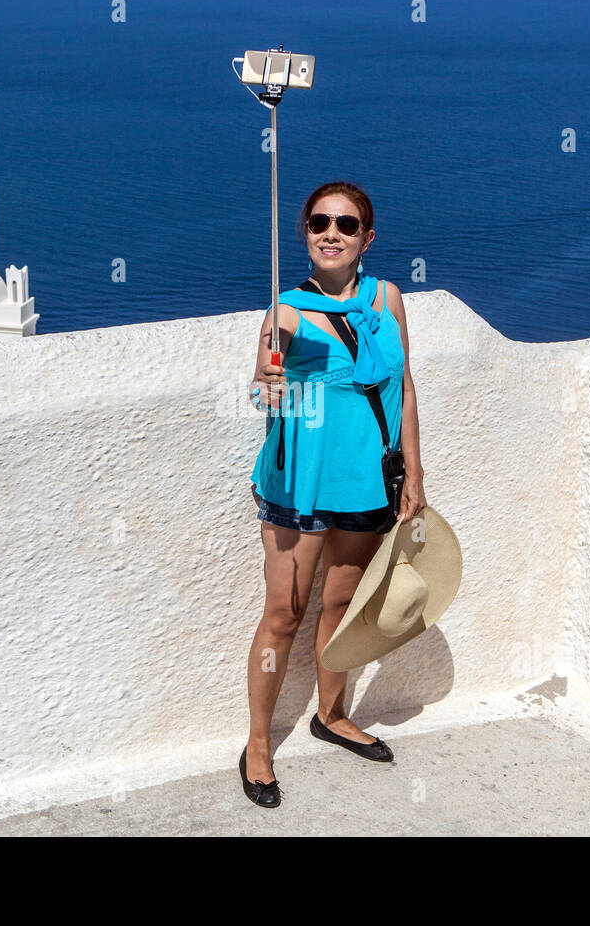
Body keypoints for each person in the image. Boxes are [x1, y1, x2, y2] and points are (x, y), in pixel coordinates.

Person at [241, 181, 426, 807]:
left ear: (366, 239)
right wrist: (268, 379)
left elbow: (403, 387)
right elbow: (266, 382)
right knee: (283, 617)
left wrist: (416, 477)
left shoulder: (387, 299)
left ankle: (330, 714)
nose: (331, 233)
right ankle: (259, 748)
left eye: (346, 225)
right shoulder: (285, 310)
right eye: (320, 221)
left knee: (343, 608)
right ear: (304, 231)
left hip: (370, 483)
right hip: (301, 487)